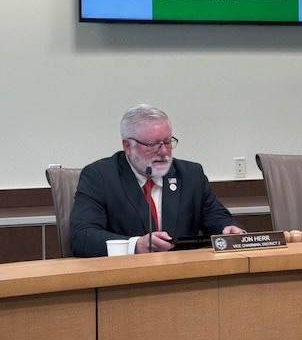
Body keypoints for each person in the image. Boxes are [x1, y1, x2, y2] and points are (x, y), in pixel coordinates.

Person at [70, 104, 245, 256]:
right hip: (124, 281)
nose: (163, 152)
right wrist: (135, 245)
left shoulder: (191, 175)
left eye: (167, 142)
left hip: (185, 275)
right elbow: (82, 236)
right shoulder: (99, 176)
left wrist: (227, 228)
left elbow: (215, 216)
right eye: (152, 144)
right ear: (127, 146)